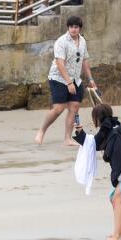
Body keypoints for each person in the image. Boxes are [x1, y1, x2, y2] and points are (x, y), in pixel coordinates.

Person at [74, 103, 121, 240]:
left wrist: (116, 176)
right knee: (114, 198)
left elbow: (120, 155)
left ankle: (116, 236)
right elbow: (94, 144)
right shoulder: (113, 128)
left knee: (116, 199)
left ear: (97, 118)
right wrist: (80, 133)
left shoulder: (113, 133)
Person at [36, 16, 94, 146]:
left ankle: (67, 138)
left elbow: (84, 60)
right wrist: (68, 83)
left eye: (76, 27)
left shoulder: (82, 41)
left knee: (74, 107)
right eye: (71, 27)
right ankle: (41, 131)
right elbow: (60, 63)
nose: (74, 29)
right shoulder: (61, 41)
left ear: (79, 28)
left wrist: (90, 79)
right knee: (58, 108)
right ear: (68, 28)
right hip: (58, 78)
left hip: (75, 78)